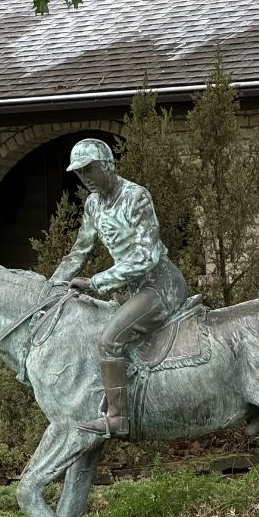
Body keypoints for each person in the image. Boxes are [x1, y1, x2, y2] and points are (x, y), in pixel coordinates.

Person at [50, 138, 190, 438]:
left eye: (89, 169)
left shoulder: (136, 196)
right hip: (128, 293)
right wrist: (51, 287)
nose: (85, 177)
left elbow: (147, 254)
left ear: (107, 165)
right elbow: (79, 251)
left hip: (160, 286)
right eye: (79, 172)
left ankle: (118, 418)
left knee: (109, 341)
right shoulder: (92, 205)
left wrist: (97, 281)